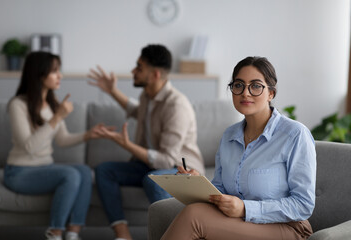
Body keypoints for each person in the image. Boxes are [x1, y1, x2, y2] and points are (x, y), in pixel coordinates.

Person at [160, 56, 317, 240]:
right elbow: (222, 190)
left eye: (256, 86)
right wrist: (199, 185)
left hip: (288, 228)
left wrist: (245, 208)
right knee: (195, 213)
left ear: (271, 93)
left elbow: (303, 205)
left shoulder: (295, 135)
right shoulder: (229, 136)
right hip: (241, 224)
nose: (246, 93)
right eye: (239, 85)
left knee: (194, 217)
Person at [88, 44, 205, 240]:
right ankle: (123, 234)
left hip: (180, 169)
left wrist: (126, 145)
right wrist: (112, 91)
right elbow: (136, 110)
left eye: (139, 67)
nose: (133, 71)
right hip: (148, 165)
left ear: (155, 75)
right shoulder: (148, 96)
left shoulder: (176, 106)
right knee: (104, 170)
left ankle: (172, 236)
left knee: (153, 179)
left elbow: (167, 160)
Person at [4, 51, 104, 240]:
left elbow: (62, 139)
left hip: (44, 167)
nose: (60, 76)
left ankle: (73, 233)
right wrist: (57, 117)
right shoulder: (17, 105)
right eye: (54, 71)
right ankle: (55, 233)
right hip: (19, 172)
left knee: (83, 171)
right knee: (70, 174)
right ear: (39, 74)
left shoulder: (52, 103)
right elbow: (29, 147)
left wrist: (88, 135)